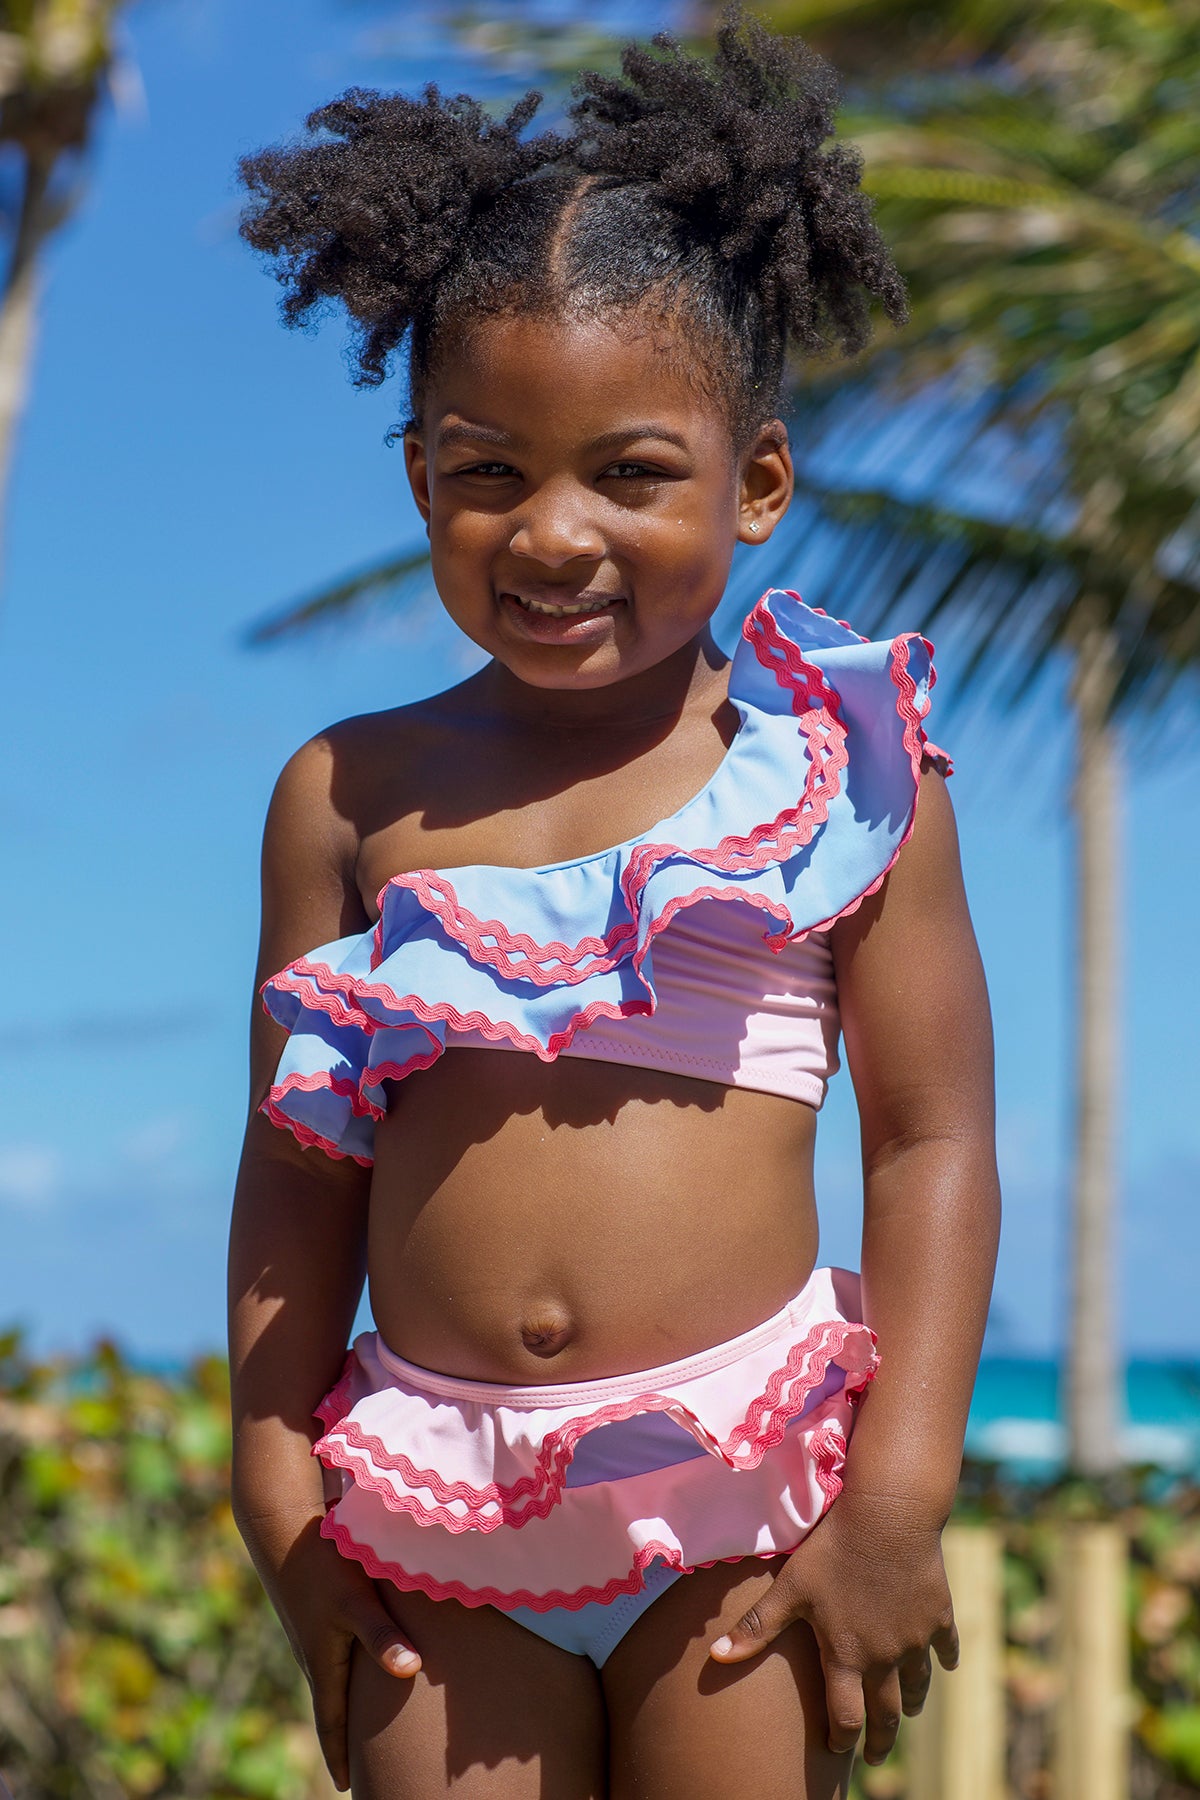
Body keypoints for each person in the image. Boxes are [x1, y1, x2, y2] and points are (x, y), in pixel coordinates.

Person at [228, 15, 1000, 1799]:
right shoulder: (346, 795)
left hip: (745, 1504)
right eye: (488, 471)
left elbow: (931, 1140)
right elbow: (297, 1169)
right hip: (427, 1511)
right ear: (420, 478)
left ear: (757, 484)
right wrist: (274, 1482)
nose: (554, 533)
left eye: (631, 473)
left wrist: (897, 1501)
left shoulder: (842, 780)